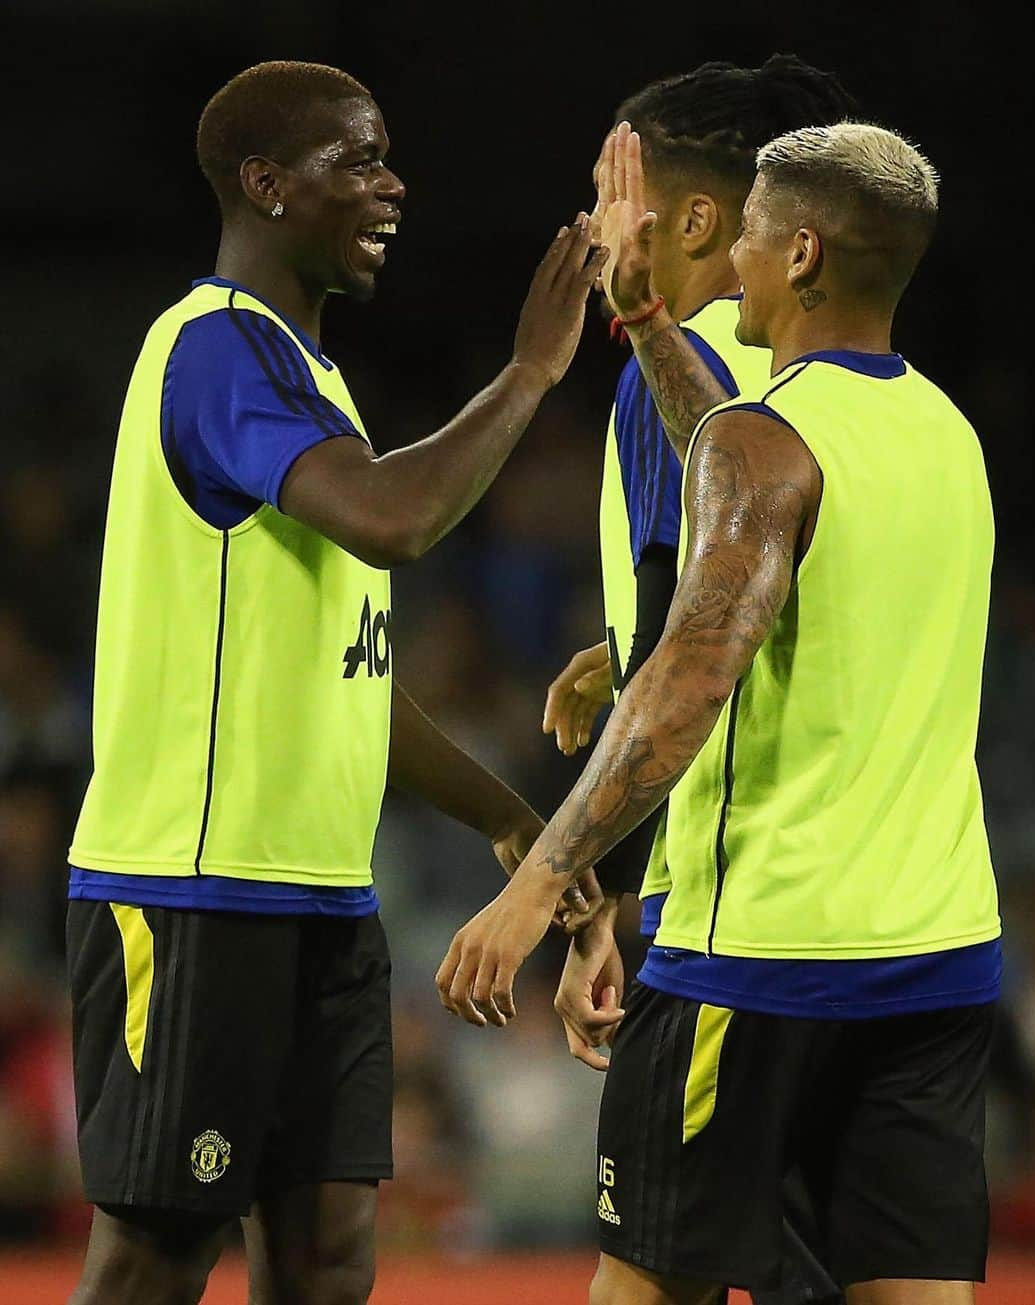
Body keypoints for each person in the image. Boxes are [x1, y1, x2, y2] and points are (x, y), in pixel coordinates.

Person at [65, 60, 602, 1305]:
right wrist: (529, 372)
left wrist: (514, 825)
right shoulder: (213, 353)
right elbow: (396, 521)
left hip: (316, 900)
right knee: (154, 1255)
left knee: (330, 1259)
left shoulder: (313, 384)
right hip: (189, 891)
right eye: (358, 159)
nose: (391, 183)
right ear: (264, 182)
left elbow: (349, 676)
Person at [438, 119, 1000, 1305]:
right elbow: (756, 486)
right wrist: (644, 322)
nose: (731, 260)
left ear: (798, 256)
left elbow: (691, 682)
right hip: (937, 959)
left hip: (757, 964)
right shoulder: (946, 434)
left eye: (747, 233)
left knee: (651, 1288)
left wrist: (539, 882)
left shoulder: (768, 441)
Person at [543, 59, 857, 1305]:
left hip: (728, 909)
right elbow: (765, 597)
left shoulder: (661, 364)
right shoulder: (836, 364)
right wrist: (618, 647)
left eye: (610, 199)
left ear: (690, 221)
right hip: (873, 915)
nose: (592, 232)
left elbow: (700, 669)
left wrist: (576, 897)